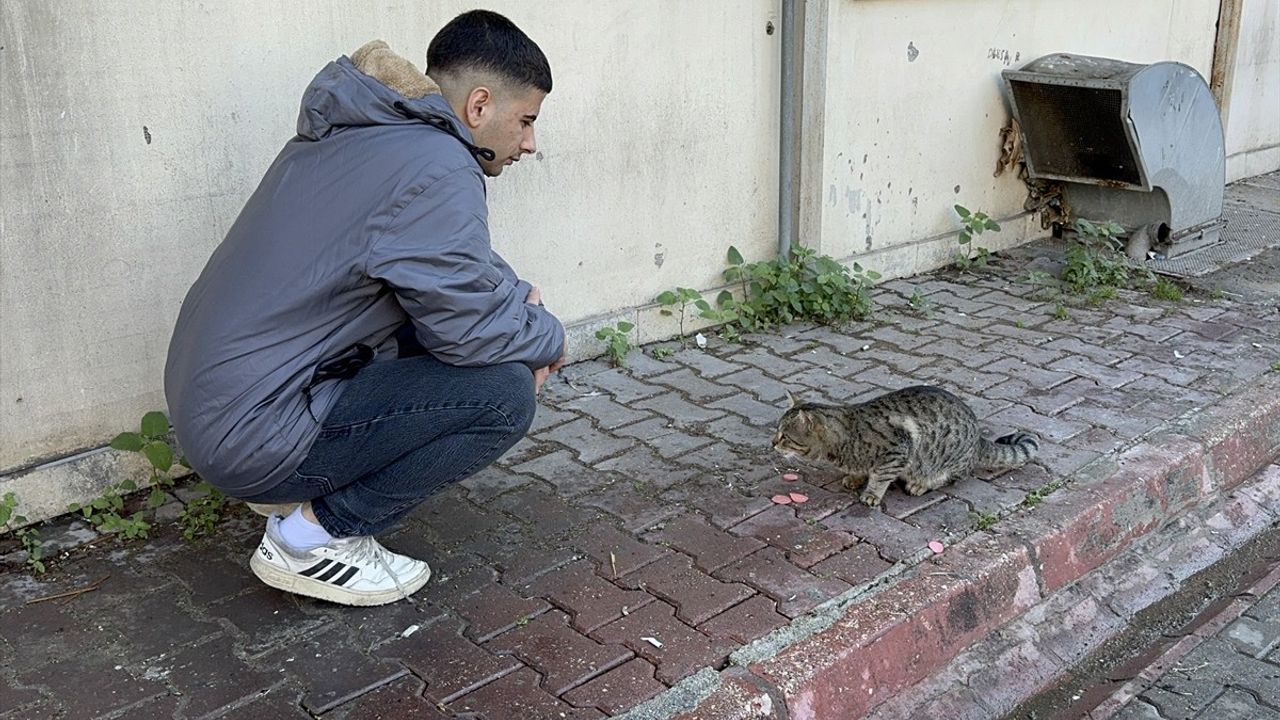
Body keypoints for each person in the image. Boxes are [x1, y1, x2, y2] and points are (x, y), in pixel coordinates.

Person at [163, 10, 566, 607]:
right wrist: (548, 336)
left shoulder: (370, 136)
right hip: (252, 429)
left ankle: (295, 493)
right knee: (502, 394)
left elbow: (462, 272)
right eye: (526, 120)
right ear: (480, 105)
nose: (530, 143)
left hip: (221, 405)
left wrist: (516, 312)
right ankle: (310, 538)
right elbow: (471, 331)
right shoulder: (440, 167)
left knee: (474, 330)